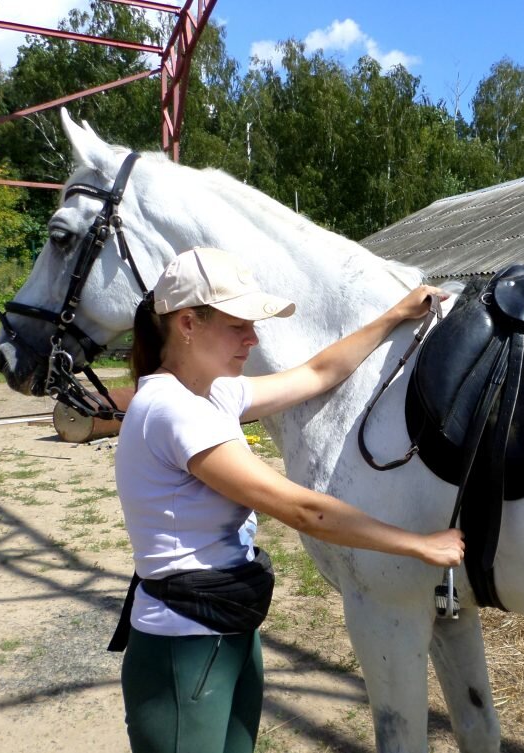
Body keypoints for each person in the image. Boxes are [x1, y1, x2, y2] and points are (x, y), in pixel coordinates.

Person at [111, 246, 464, 753]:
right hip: (182, 642)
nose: (253, 339)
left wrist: (394, 316)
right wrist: (420, 545)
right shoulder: (172, 411)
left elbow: (319, 373)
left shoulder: (213, 394)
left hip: (229, 620)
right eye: (239, 326)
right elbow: (304, 510)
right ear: (187, 324)